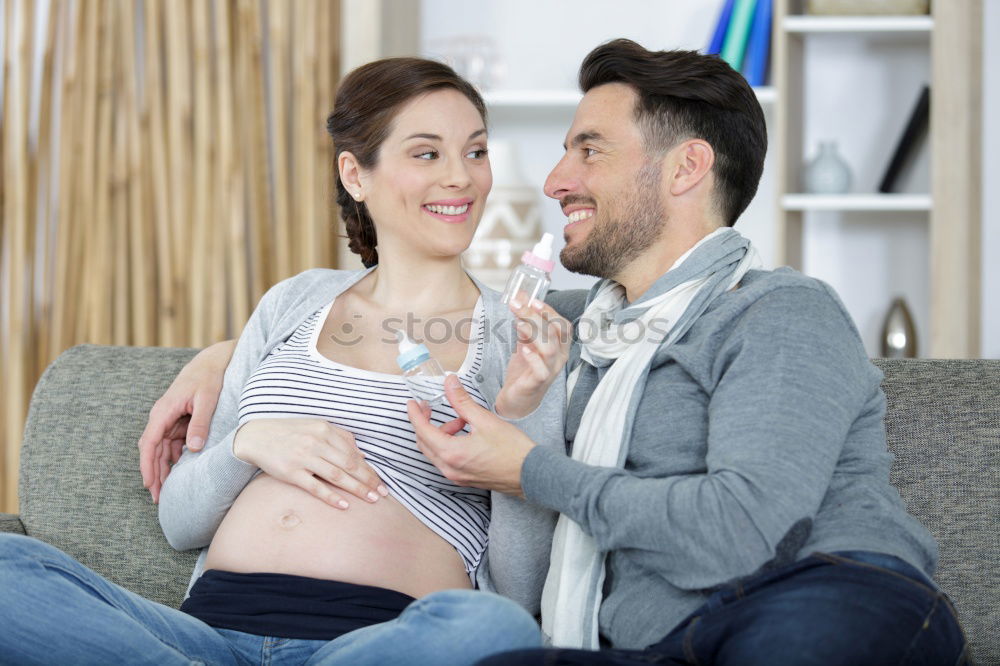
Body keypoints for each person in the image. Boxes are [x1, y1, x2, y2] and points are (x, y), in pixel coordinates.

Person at [139, 40, 969, 665]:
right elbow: (411, 311)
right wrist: (226, 358)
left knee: (491, 636)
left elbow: (740, 531)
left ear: (686, 168)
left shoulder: (774, 311)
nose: (551, 179)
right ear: (356, 174)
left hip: (809, 592)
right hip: (651, 636)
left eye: (589, 150)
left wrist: (527, 463)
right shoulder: (578, 324)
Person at [0, 56, 571, 665]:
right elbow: (181, 521)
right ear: (356, 174)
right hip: (207, 638)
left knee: (490, 627)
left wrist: (516, 417)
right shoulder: (294, 302)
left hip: (374, 642)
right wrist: (251, 441)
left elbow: (519, 586)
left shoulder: (522, 336)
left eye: (476, 152)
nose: (461, 177)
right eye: (427, 154)